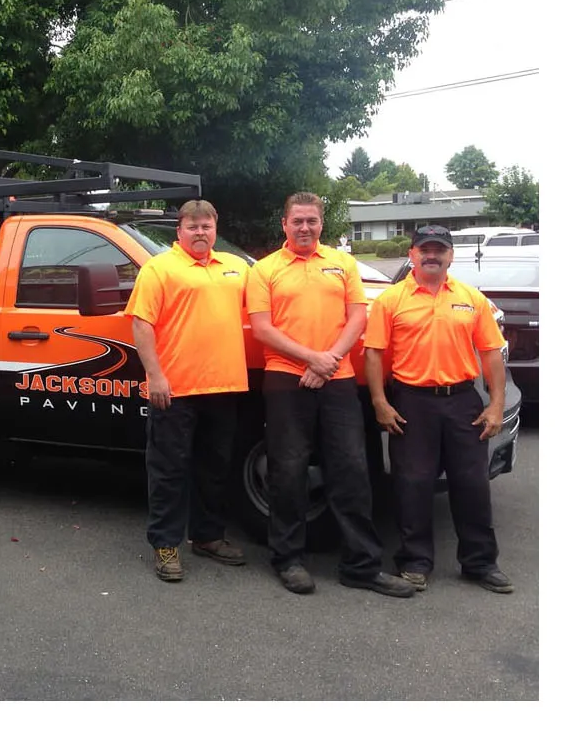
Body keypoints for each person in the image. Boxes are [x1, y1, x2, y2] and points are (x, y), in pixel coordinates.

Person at [245, 192, 414, 598]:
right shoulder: (265, 270)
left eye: (312, 221)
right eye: (297, 221)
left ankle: (361, 565)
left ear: (322, 225)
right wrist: (311, 359)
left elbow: (358, 316)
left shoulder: (343, 264)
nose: (305, 227)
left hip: (338, 378)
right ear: (283, 224)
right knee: (288, 471)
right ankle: (288, 559)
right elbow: (263, 328)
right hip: (286, 378)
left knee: (352, 470)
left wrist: (330, 360)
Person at [363, 224, 513, 594]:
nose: (432, 255)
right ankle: (415, 562)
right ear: (412, 254)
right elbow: (374, 353)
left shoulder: (471, 298)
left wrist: (495, 405)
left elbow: (491, 354)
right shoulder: (391, 300)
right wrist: (380, 402)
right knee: (412, 485)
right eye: (425, 249)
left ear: (450, 255)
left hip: (463, 401)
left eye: (439, 249)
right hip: (412, 401)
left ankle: (479, 563)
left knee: (472, 485)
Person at [126, 200, 250, 582]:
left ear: (216, 228)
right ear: (179, 230)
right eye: (193, 226)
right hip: (174, 390)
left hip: (224, 386)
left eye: (207, 226)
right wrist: (155, 375)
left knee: (215, 469)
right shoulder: (159, 269)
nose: (200, 232)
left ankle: (208, 537)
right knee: (168, 471)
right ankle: (165, 544)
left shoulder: (236, 268)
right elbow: (141, 324)